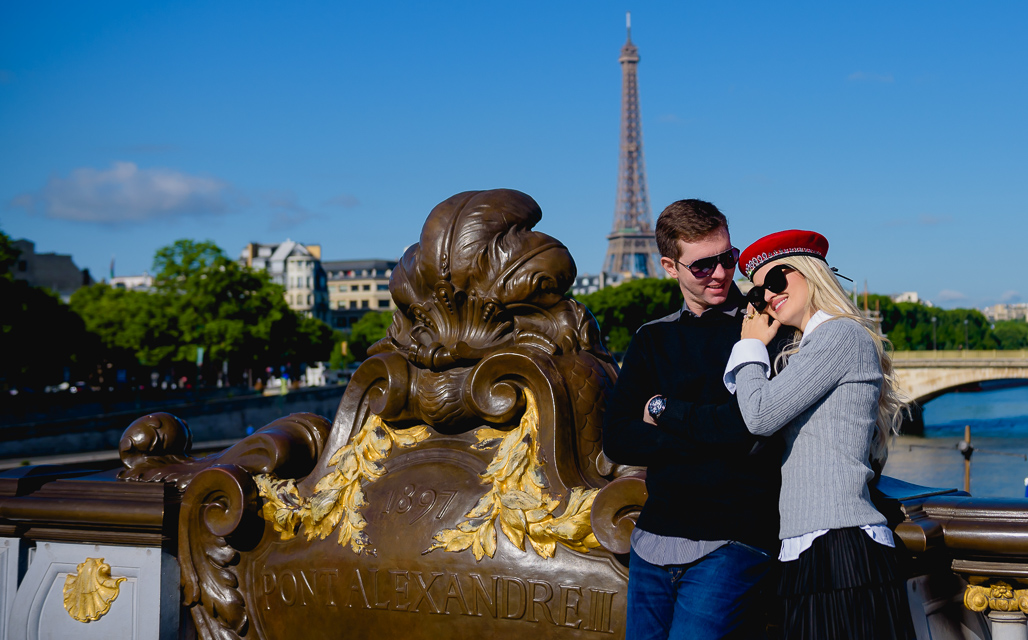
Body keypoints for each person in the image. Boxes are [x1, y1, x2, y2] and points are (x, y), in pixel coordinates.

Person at [602, 199, 784, 640]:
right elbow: (617, 439)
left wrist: (663, 413)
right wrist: (714, 434)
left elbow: (750, 430)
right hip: (654, 537)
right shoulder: (652, 338)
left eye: (728, 258)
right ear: (670, 266)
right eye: (703, 266)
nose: (722, 274)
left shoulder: (764, 328)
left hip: (735, 539)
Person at [724, 229, 914, 639]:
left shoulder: (839, 336)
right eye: (757, 295)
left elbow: (759, 414)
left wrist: (750, 345)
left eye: (777, 280)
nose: (768, 297)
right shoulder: (810, 348)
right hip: (813, 547)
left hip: (839, 549)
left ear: (812, 274)